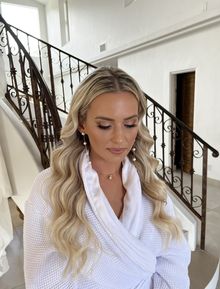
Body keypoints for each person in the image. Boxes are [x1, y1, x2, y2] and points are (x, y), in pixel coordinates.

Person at [24, 67, 191, 289]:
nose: (120, 138)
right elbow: (42, 276)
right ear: (82, 123)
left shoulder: (149, 183)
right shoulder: (50, 186)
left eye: (130, 124)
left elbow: (174, 257)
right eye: (104, 125)